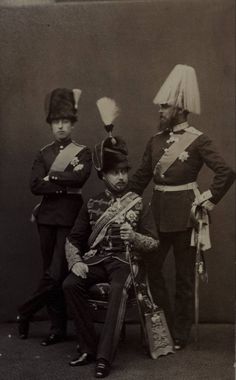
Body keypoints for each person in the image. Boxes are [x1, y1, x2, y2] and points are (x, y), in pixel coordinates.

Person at [129, 64, 235, 350]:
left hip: (187, 218)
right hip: (157, 217)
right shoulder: (155, 141)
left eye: (165, 106)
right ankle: (164, 322)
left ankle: (181, 333)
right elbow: (140, 178)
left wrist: (207, 200)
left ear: (179, 107)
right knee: (151, 270)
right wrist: (119, 197)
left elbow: (226, 172)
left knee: (184, 278)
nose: (160, 111)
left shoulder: (199, 140)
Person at [63, 130, 159, 378]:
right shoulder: (92, 203)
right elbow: (73, 239)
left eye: (124, 171)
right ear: (103, 175)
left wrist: (135, 237)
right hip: (97, 259)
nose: (121, 177)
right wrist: (75, 262)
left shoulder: (138, 203)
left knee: (118, 288)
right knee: (70, 284)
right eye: (115, 172)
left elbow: (154, 243)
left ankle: (104, 358)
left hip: (126, 262)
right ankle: (88, 348)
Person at [17, 88, 92, 346]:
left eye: (65, 121)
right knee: (49, 271)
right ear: (51, 125)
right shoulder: (44, 153)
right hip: (46, 218)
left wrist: (53, 178)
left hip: (71, 217)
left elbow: (81, 177)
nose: (60, 126)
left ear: (72, 124)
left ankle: (24, 311)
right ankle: (57, 328)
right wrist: (61, 183)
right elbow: (35, 185)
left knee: (56, 273)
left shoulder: (82, 152)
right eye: (56, 122)